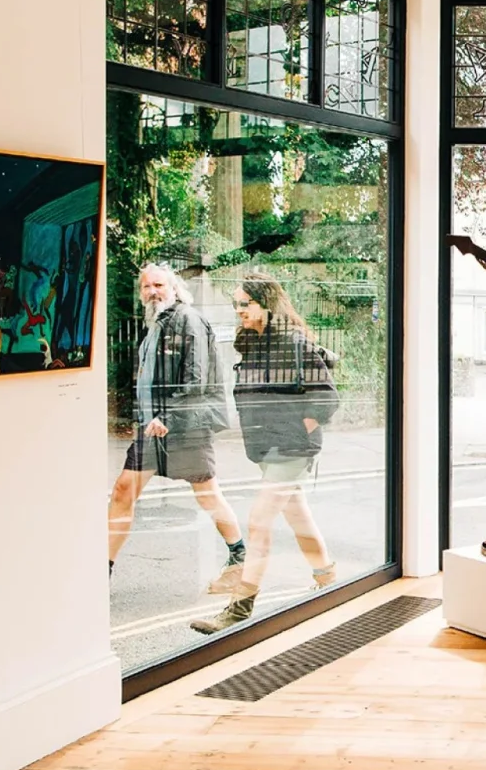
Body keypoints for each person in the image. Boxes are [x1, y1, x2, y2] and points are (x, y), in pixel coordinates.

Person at [191, 271, 341, 634]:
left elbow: (327, 398)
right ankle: (328, 581)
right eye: (236, 304)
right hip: (267, 448)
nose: (239, 309)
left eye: (246, 303)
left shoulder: (293, 343)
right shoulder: (253, 344)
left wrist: (295, 429)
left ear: (266, 304)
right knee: (298, 517)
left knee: (258, 522)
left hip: (290, 449)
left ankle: (240, 607)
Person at [108, 264, 247, 590]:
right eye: (146, 286)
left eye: (159, 285)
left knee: (208, 495)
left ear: (174, 288)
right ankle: (103, 569)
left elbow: (195, 380)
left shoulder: (188, 320)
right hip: (152, 429)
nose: (152, 291)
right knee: (122, 492)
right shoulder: (156, 324)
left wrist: (167, 417)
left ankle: (240, 559)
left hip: (185, 425)